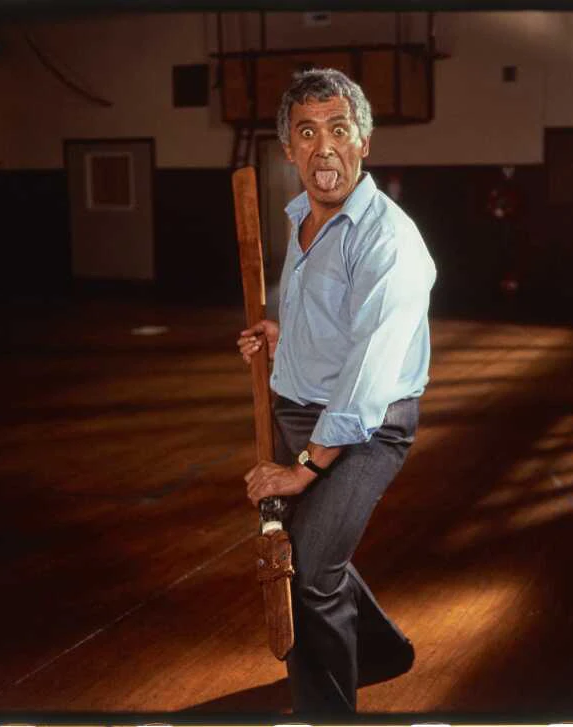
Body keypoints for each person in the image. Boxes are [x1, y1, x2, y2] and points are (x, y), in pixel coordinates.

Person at [236, 68, 436, 714]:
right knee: (314, 558)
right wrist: (282, 332)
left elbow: (367, 376)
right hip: (300, 408)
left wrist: (303, 469)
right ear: (288, 149)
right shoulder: (302, 216)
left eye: (340, 129)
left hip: (366, 427)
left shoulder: (391, 240)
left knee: (309, 569)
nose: (325, 148)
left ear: (365, 140)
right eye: (308, 133)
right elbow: (332, 317)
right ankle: (376, 650)